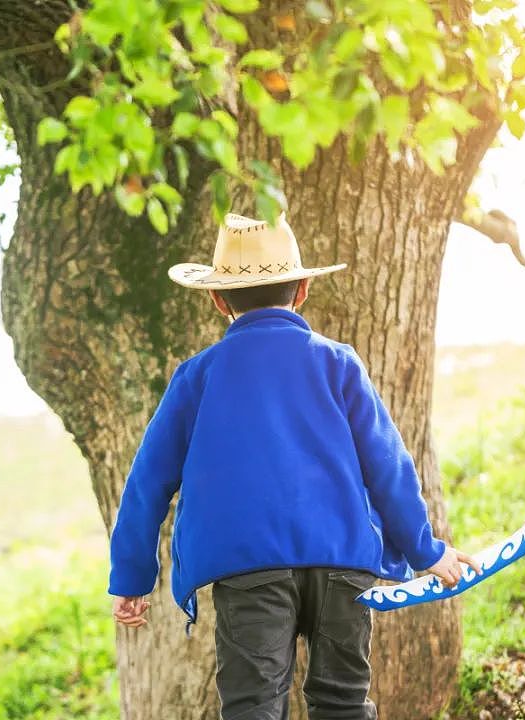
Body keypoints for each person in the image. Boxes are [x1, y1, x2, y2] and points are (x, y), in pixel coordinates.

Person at [107, 211, 481, 720]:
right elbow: (388, 465)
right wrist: (425, 550)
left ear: (218, 300)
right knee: (343, 702)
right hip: (343, 563)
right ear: (302, 290)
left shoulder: (197, 378)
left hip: (248, 568)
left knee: (253, 708)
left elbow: (147, 483)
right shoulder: (339, 363)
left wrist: (132, 576)